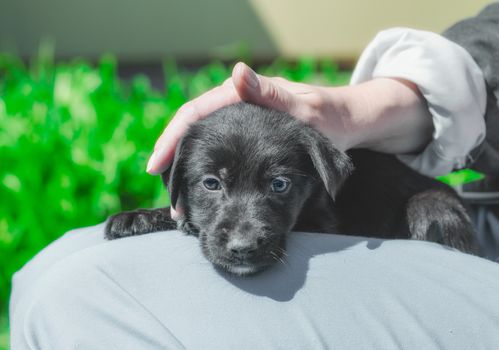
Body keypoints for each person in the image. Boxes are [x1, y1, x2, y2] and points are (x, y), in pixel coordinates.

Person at [10, 4, 499, 349]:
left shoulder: (330, 190)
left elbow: (328, 219)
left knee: (75, 293)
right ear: (178, 180)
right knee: (53, 265)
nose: (242, 234)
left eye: (279, 185)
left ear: (319, 175)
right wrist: (365, 107)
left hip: (429, 246)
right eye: (212, 184)